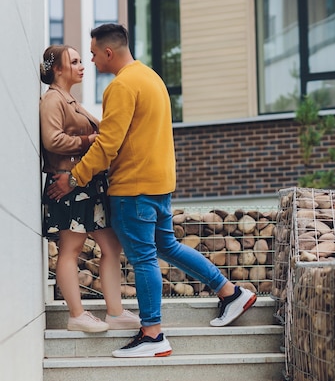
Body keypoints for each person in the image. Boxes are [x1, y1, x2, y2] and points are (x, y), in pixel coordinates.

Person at [47, 24, 257, 358]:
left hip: (134, 187)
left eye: (93, 53)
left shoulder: (121, 86)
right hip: (159, 185)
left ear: (108, 52)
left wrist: (73, 178)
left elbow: (107, 146)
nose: (91, 59)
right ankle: (231, 293)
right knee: (166, 246)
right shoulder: (151, 78)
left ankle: (152, 335)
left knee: (144, 257)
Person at [40, 44, 141, 333]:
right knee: (70, 248)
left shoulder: (69, 100)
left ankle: (116, 312)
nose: (83, 65)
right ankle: (76, 314)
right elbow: (52, 140)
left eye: (83, 60)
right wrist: (90, 140)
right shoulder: (53, 100)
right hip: (67, 183)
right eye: (74, 61)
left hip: (84, 183)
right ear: (57, 69)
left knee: (111, 245)